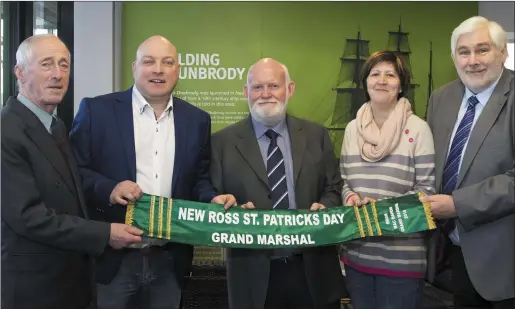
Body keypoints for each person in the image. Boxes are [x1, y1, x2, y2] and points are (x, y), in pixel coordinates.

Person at [69, 35, 236, 309]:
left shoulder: (197, 120)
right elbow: (73, 172)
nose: (158, 69)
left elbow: (199, 180)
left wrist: (211, 200)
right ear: (135, 67)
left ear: (178, 71)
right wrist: (109, 190)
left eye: (167, 62)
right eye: (149, 61)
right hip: (112, 258)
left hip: (169, 260)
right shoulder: (97, 111)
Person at [1, 34, 143, 309]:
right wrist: (104, 234)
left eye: (64, 65)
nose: (57, 74)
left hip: (70, 284)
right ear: (19, 72)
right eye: (46, 64)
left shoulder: (56, 127)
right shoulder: (7, 131)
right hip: (35, 290)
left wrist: (111, 190)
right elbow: (29, 217)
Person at [210, 58, 345, 309]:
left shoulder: (317, 135)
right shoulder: (221, 143)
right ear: (246, 92)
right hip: (252, 273)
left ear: (290, 89)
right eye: (257, 87)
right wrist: (226, 209)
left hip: (313, 270)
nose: (265, 94)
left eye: (273, 86)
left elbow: (333, 187)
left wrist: (326, 207)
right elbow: (212, 197)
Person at [423, 16, 514, 309]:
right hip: (451, 253)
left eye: (482, 50)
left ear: (503, 52)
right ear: (454, 58)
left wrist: (458, 204)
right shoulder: (440, 98)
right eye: (464, 52)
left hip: (504, 261)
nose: (472, 61)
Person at [339, 50, 436, 309]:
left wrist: (381, 211)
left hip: (402, 261)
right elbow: (344, 181)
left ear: (401, 84)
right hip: (356, 257)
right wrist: (350, 197)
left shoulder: (418, 129)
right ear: (365, 82)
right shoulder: (351, 129)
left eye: (390, 74)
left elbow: (426, 193)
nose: (381, 80)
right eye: (375, 74)